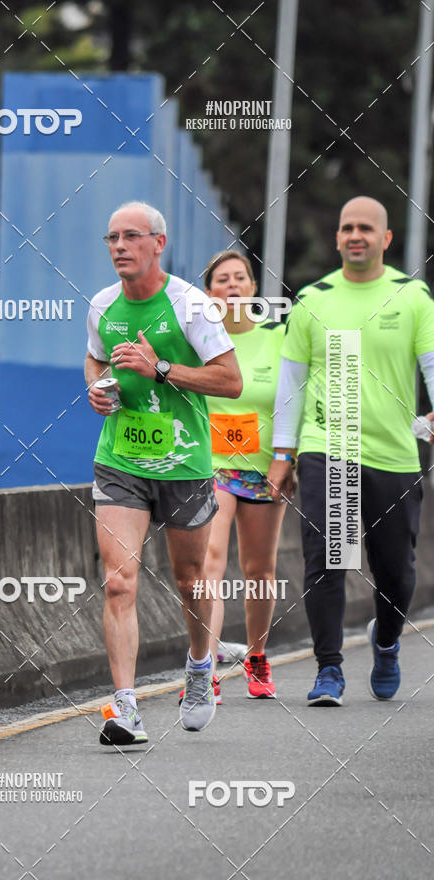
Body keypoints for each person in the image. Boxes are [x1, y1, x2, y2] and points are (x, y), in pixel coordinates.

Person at [85, 201, 242, 744]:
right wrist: (97, 390)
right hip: (121, 459)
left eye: (131, 237)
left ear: (159, 242)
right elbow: (96, 358)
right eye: (112, 238)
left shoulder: (191, 305)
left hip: (184, 461)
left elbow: (231, 381)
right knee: (118, 581)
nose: (120, 246)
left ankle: (200, 667)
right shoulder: (102, 305)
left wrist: (162, 369)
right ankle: (125, 709)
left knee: (191, 581)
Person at [268, 196, 434, 706]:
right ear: (338, 238)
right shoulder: (313, 300)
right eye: (346, 227)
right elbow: (291, 383)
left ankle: (386, 643)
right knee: (327, 560)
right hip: (328, 449)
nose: (355, 235)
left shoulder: (412, 296)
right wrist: (282, 452)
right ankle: (329, 671)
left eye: (366, 228)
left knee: (396, 572)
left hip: (394, 454)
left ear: (385, 239)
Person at [187, 251, 288, 704]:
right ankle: (204, 667)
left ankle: (258, 656)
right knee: (210, 560)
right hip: (212, 465)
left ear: (252, 287)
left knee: (259, 570)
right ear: (209, 293)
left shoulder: (280, 337)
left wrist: (287, 458)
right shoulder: (199, 343)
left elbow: (294, 400)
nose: (231, 285)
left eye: (240, 277)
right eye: (221, 280)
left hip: (265, 469)